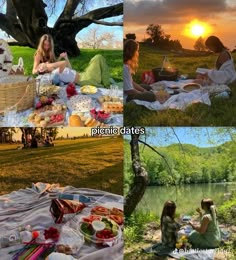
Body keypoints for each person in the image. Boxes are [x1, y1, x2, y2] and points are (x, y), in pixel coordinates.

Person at [33, 34, 111, 87]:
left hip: (81, 74)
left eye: (48, 45)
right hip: (83, 79)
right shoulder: (39, 55)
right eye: (45, 45)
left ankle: (105, 81)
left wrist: (63, 57)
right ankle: (106, 83)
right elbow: (34, 71)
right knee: (98, 58)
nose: (46, 47)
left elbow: (60, 65)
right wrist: (43, 66)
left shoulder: (51, 54)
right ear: (41, 44)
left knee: (98, 59)